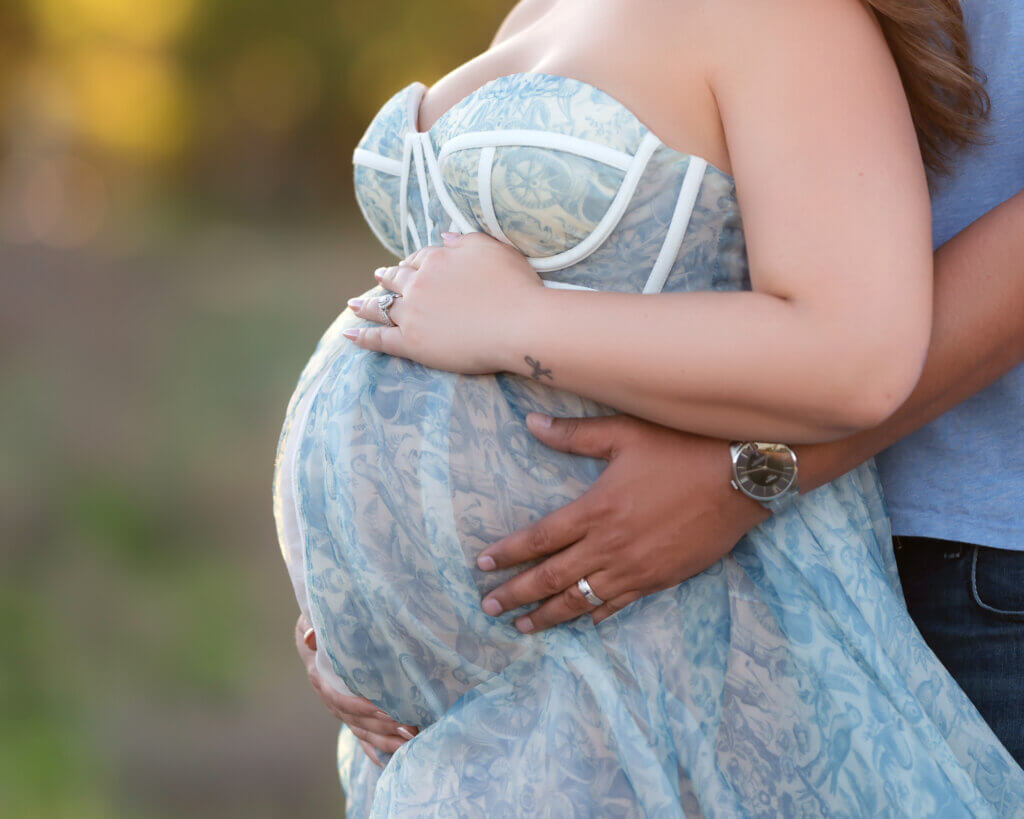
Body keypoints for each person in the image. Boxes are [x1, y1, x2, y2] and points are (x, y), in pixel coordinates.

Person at [277, 0, 1024, 814]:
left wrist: (738, 472)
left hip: (719, 613)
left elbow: (857, 352)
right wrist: (367, 607)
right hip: (488, 692)